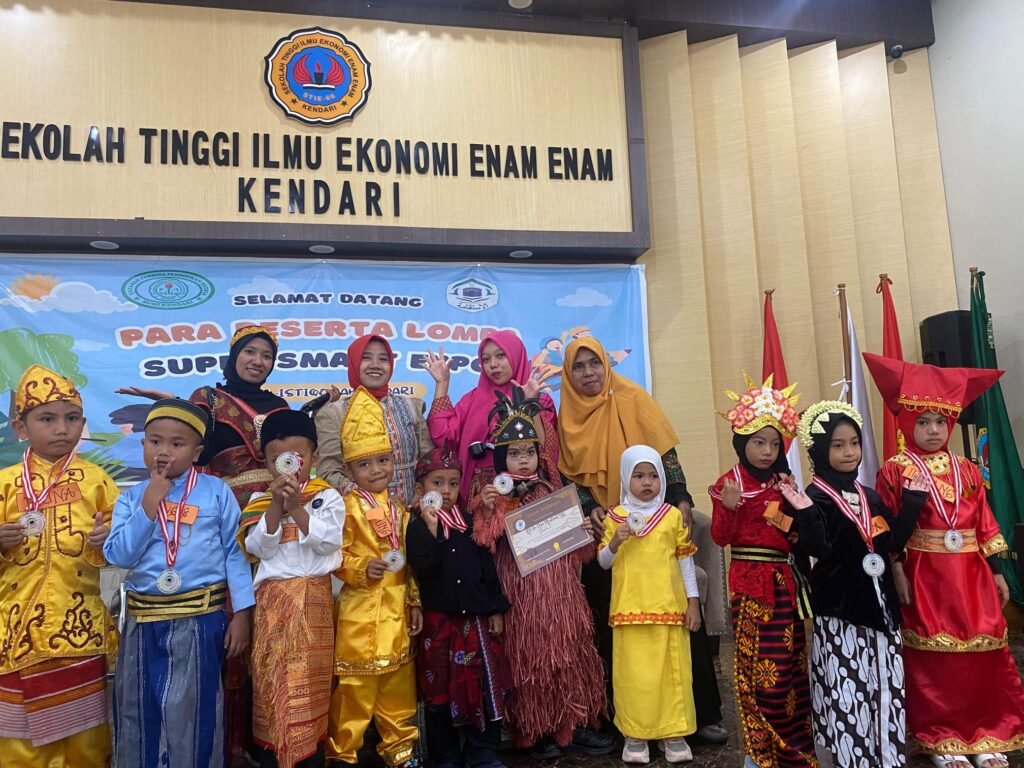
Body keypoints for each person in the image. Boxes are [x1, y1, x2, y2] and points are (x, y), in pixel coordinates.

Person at [557, 336, 727, 743]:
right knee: (607, 624)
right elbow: (568, 473)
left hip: (653, 526)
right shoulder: (566, 418)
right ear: (568, 373)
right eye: (578, 366)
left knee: (681, 618)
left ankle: (700, 712)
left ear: (606, 364)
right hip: (608, 531)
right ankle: (621, 719)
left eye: (594, 363)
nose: (588, 373)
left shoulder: (633, 398)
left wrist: (680, 496)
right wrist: (588, 506)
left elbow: (664, 456)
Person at [864, 354, 1024, 768]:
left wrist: (997, 570)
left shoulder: (967, 469)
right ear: (907, 422)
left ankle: (985, 733)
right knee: (934, 658)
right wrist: (896, 570)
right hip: (925, 573)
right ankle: (940, 738)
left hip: (972, 572)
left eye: (941, 421)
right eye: (923, 422)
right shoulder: (895, 471)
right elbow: (888, 529)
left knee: (983, 651)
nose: (933, 430)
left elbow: (983, 520)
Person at [104, 398, 255, 768]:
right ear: (143, 444)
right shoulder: (131, 498)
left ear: (197, 452)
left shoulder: (216, 492)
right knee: (140, 708)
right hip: (144, 622)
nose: (164, 452)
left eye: (177, 443)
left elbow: (234, 553)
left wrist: (242, 614)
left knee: (194, 711)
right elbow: (119, 555)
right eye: (155, 441)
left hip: (201, 619)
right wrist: (148, 507)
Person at [782, 400, 928, 767]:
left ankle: (888, 758)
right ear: (819, 450)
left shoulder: (869, 495)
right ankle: (853, 760)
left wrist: (912, 502)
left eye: (854, 443)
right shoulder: (815, 497)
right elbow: (819, 550)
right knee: (850, 693)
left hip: (882, 610)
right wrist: (806, 513)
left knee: (886, 689)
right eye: (838, 445)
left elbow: (890, 543)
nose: (849, 452)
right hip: (843, 614)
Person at [469, 387, 611, 759]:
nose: (524, 459)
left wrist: (587, 532)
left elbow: (580, 552)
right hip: (522, 596)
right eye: (515, 453)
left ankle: (570, 726)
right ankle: (534, 731)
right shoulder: (491, 494)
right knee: (530, 662)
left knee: (567, 657)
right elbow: (484, 541)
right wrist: (492, 510)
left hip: (562, 594)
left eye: (529, 452)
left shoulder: (552, 489)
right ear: (502, 457)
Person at [0, 365, 118, 767]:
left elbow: (127, 549)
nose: (61, 429)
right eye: (47, 419)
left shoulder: (96, 481)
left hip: (80, 633)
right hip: (14, 634)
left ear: (83, 424)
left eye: (72, 418)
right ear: (21, 427)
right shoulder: (5, 483)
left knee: (86, 748)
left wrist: (107, 542)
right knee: (20, 748)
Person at [708, 374, 817, 768]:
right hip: (751, 587)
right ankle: (759, 752)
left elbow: (795, 536)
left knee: (790, 671)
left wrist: (795, 513)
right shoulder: (728, 484)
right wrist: (728, 508)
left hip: (785, 585)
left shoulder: (783, 483)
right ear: (742, 442)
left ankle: (796, 751)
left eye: (774, 443)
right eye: (759, 442)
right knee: (759, 674)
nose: (768, 451)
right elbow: (720, 538)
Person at [239, 409, 345, 768]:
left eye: (297, 457)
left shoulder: (326, 497)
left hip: (314, 602)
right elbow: (258, 549)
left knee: (311, 686)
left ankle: (308, 756)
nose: (288, 466)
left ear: (313, 457)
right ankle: (274, 756)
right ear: (267, 463)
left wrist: (297, 509)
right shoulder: (259, 501)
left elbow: (328, 543)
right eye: (277, 459)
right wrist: (275, 507)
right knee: (272, 683)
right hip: (273, 605)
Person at [326, 387, 422, 768]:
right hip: (361, 618)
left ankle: (401, 752)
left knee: (399, 691)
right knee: (354, 695)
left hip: (397, 616)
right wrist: (360, 567)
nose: (377, 470)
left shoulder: (400, 508)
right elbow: (334, 556)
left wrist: (414, 602)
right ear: (349, 470)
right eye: (365, 465)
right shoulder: (346, 508)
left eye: (383, 460)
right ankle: (342, 755)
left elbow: (409, 563)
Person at [406, 442, 512, 768]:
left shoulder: (469, 523)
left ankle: (483, 752)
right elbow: (423, 567)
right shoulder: (416, 527)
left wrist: (495, 608)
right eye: (437, 483)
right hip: (439, 626)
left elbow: (486, 569)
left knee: (480, 685)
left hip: (474, 624)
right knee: (439, 690)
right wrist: (433, 531)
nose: (446, 491)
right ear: (420, 488)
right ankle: (447, 756)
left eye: (453, 483)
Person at [597, 445, 701, 764]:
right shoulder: (615, 518)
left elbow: (685, 562)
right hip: (629, 611)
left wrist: (693, 602)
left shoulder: (672, 516)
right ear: (626, 478)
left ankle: (674, 734)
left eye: (653, 476)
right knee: (634, 678)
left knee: (674, 675)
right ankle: (636, 735)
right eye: (639, 475)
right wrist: (616, 541)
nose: (646, 482)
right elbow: (603, 562)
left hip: (670, 610)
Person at [424, 331, 556, 503]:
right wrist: (442, 384)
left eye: (501, 356)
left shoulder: (541, 400)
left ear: (516, 356)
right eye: (486, 359)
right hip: (480, 500)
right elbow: (443, 438)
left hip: (527, 497)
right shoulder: (472, 400)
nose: (493, 364)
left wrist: (531, 403)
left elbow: (546, 453)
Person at [317, 334, 434, 505]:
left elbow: (428, 461)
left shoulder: (411, 406)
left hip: (413, 510)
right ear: (353, 363)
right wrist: (372, 501)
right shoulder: (334, 413)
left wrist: (422, 494)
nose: (375, 365)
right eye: (366, 358)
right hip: (360, 514)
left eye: (383, 359)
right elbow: (328, 471)